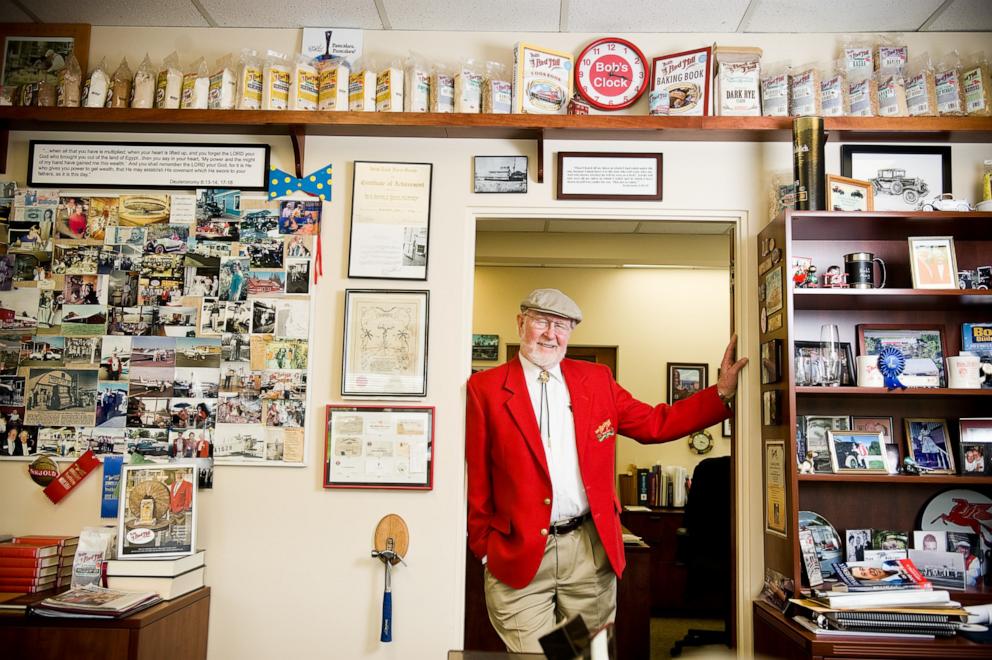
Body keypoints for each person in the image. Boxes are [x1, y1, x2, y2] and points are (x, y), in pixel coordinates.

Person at [465, 288, 746, 652]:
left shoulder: (596, 380)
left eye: (562, 325)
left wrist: (720, 394)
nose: (551, 333)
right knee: (536, 654)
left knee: (586, 653)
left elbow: (654, 424)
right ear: (521, 324)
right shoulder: (485, 389)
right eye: (541, 322)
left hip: (588, 551)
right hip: (519, 554)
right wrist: (484, 546)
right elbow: (478, 475)